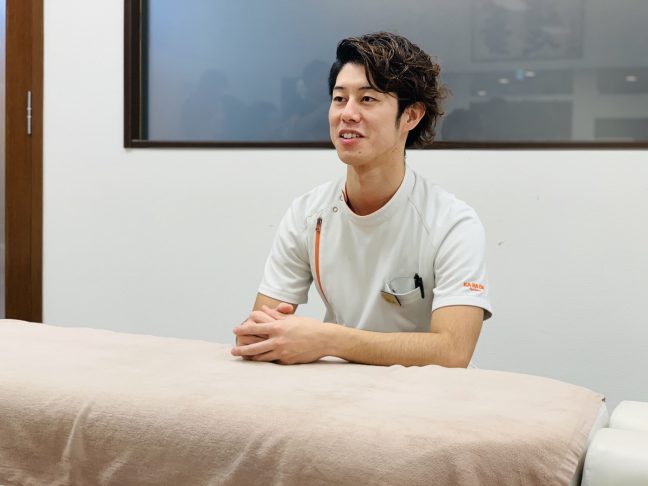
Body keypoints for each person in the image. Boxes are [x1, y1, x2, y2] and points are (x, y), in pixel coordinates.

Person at [231, 32, 492, 367]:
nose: (348, 113)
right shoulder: (307, 213)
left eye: (367, 99)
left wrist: (328, 339)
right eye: (340, 98)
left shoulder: (451, 223)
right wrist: (257, 336)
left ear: (411, 116)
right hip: (334, 390)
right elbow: (255, 334)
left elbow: (453, 351)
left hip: (420, 392)